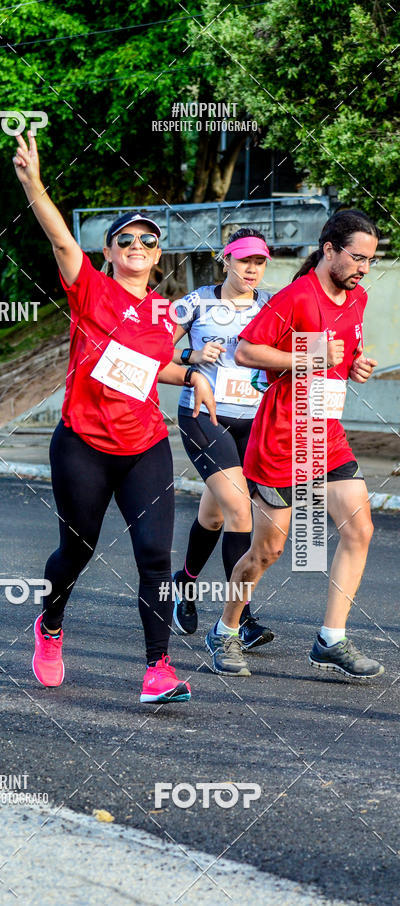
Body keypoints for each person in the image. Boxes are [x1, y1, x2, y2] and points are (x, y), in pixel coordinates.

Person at [12, 131, 217, 703]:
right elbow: (57, 237)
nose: (137, 245)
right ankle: (49, 627)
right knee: (77, 549)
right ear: (109, 251)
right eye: (125, 238)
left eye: (148, 240)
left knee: (155, 555)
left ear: (157, 255)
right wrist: (33, 184)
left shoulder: (165, 312)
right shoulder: (91, 291)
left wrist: (192, 372)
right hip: (82, 445)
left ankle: (158, 670)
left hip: (144, 444)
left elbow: (148, 367)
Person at [207, 209, 383, 679]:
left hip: (327, 434)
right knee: (268, 551)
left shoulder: (357, 298)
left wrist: (354, 366)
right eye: (357, 257)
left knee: (359, 530)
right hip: (283, 438)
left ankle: (331, 639)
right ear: (329, 249)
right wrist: (311, 353)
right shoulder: (294, 297)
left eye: (370, 259)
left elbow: (342, 355)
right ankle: (225, 630)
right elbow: (245, 351)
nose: (363, 268)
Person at [170, 229, 275, 656]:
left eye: (260, 262)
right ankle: (241, 619)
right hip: (203, 415)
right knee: (239, 513)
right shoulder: (195, 302)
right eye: (244, 260)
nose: (252, 269)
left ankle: (185, 585)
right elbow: (154, 349)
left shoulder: (271, 304)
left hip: (253, 420)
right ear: (225, 260)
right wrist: (190, 357)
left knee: (213, 517)